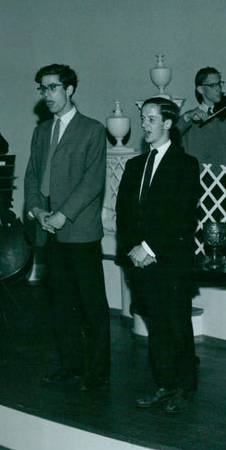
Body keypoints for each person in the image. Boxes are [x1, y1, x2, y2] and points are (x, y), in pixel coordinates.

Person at [24, 63, 111, 391]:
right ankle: (70, 364)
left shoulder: (92, 129)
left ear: (69, 89)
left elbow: (93, 181)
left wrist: (63, 214)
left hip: (78, 231)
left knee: (91, 303)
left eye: (53, 87)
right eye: (42, 88)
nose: (47, 95)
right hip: (47, 229)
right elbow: (32, 174)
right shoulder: (41, 130)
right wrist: (35, 209)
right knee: (60, 303)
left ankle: (98, 371)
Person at [116, 97, 202, 414]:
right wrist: (132, 249)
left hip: (170, 261)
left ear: (168, 123)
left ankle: (184, 387)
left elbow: (182, 218)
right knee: (156, 328)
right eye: (143, 119)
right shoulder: (135, 165)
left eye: (151, 119)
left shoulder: (185, 164)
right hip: (140, 262)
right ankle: (163, 384)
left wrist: (149, 248)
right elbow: (122, 215)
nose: (145, 125)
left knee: (177, 325)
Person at [176, 66, 226, 174]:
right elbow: (170, 137)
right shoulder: (190, 118)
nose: (218, 88)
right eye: (213, 85)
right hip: (199, 180)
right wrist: (186, 117)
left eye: (219, 84)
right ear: (200, 89)